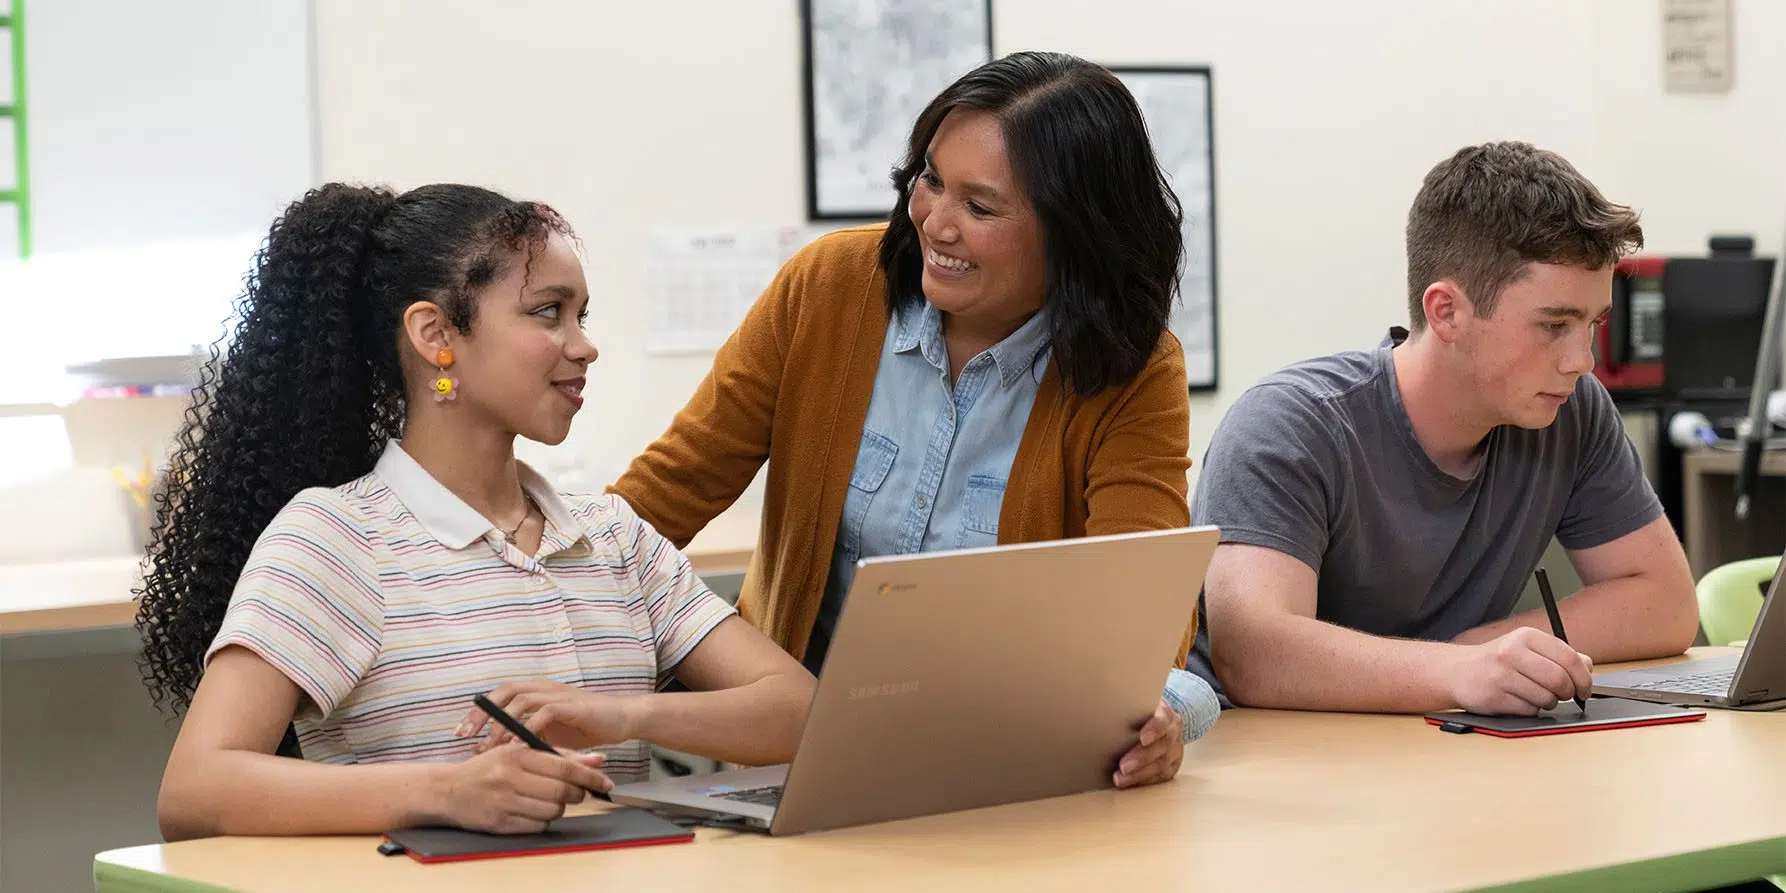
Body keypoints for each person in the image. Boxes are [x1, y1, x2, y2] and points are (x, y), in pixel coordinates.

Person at [610, 50, 1218, 789]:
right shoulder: (828, 288)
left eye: (981, 206)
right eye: (931, 179)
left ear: (1074, 233)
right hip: (791, 767)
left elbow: (1140, 605)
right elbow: (665, 494)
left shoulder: (1133, 366)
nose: (935, 221)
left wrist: (1162, 712)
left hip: (1007, 777)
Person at [135, 183, 815, 841]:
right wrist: (448, 791)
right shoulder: (335, 540)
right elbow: (195, 789)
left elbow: (806, 715)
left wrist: (619, 714)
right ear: (436, 334)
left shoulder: (615, 537)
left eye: (583, 315)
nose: (583, 344)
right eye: (549, 312)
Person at [1188, 141, 1699, 715]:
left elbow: (1668, 603)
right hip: (1264, 765)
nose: (1582, 360)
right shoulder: (1287, 427)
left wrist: (1476, 654)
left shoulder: (1571, 411)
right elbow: (1254, 653)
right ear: (1446, 311)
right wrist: (1459, 670)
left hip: (1441, 753)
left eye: (1593, 324)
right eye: (1554, 325)